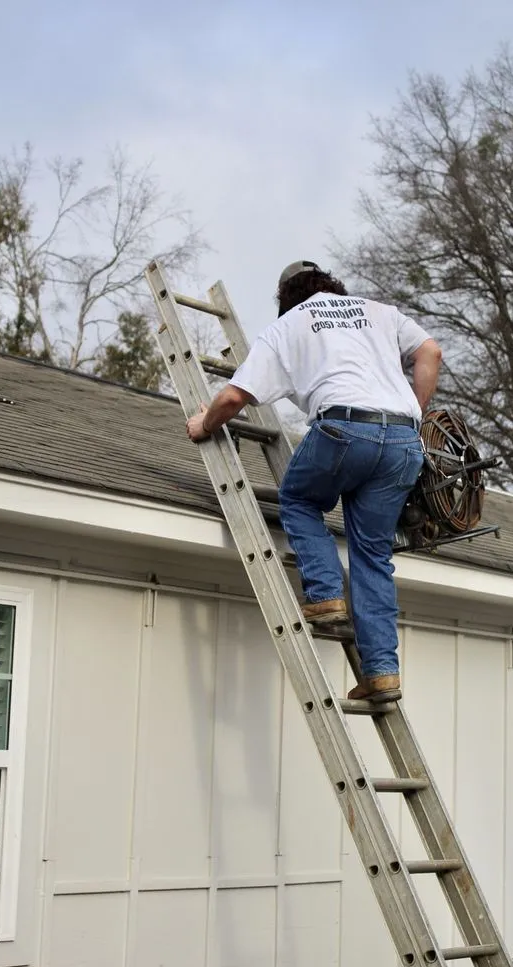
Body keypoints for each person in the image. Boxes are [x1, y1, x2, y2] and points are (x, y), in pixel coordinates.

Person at [186, 261, 442, 702]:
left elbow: (231, 397)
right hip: (403, 442)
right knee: (373, 554)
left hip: (343, 428)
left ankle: (324, 595)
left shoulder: (290, 325)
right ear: (332, 286)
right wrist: (413, 414)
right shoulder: (379, 312)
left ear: (286, 298)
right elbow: (431, 353)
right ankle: (382, 673)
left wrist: (204, 424)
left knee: (299, 499)